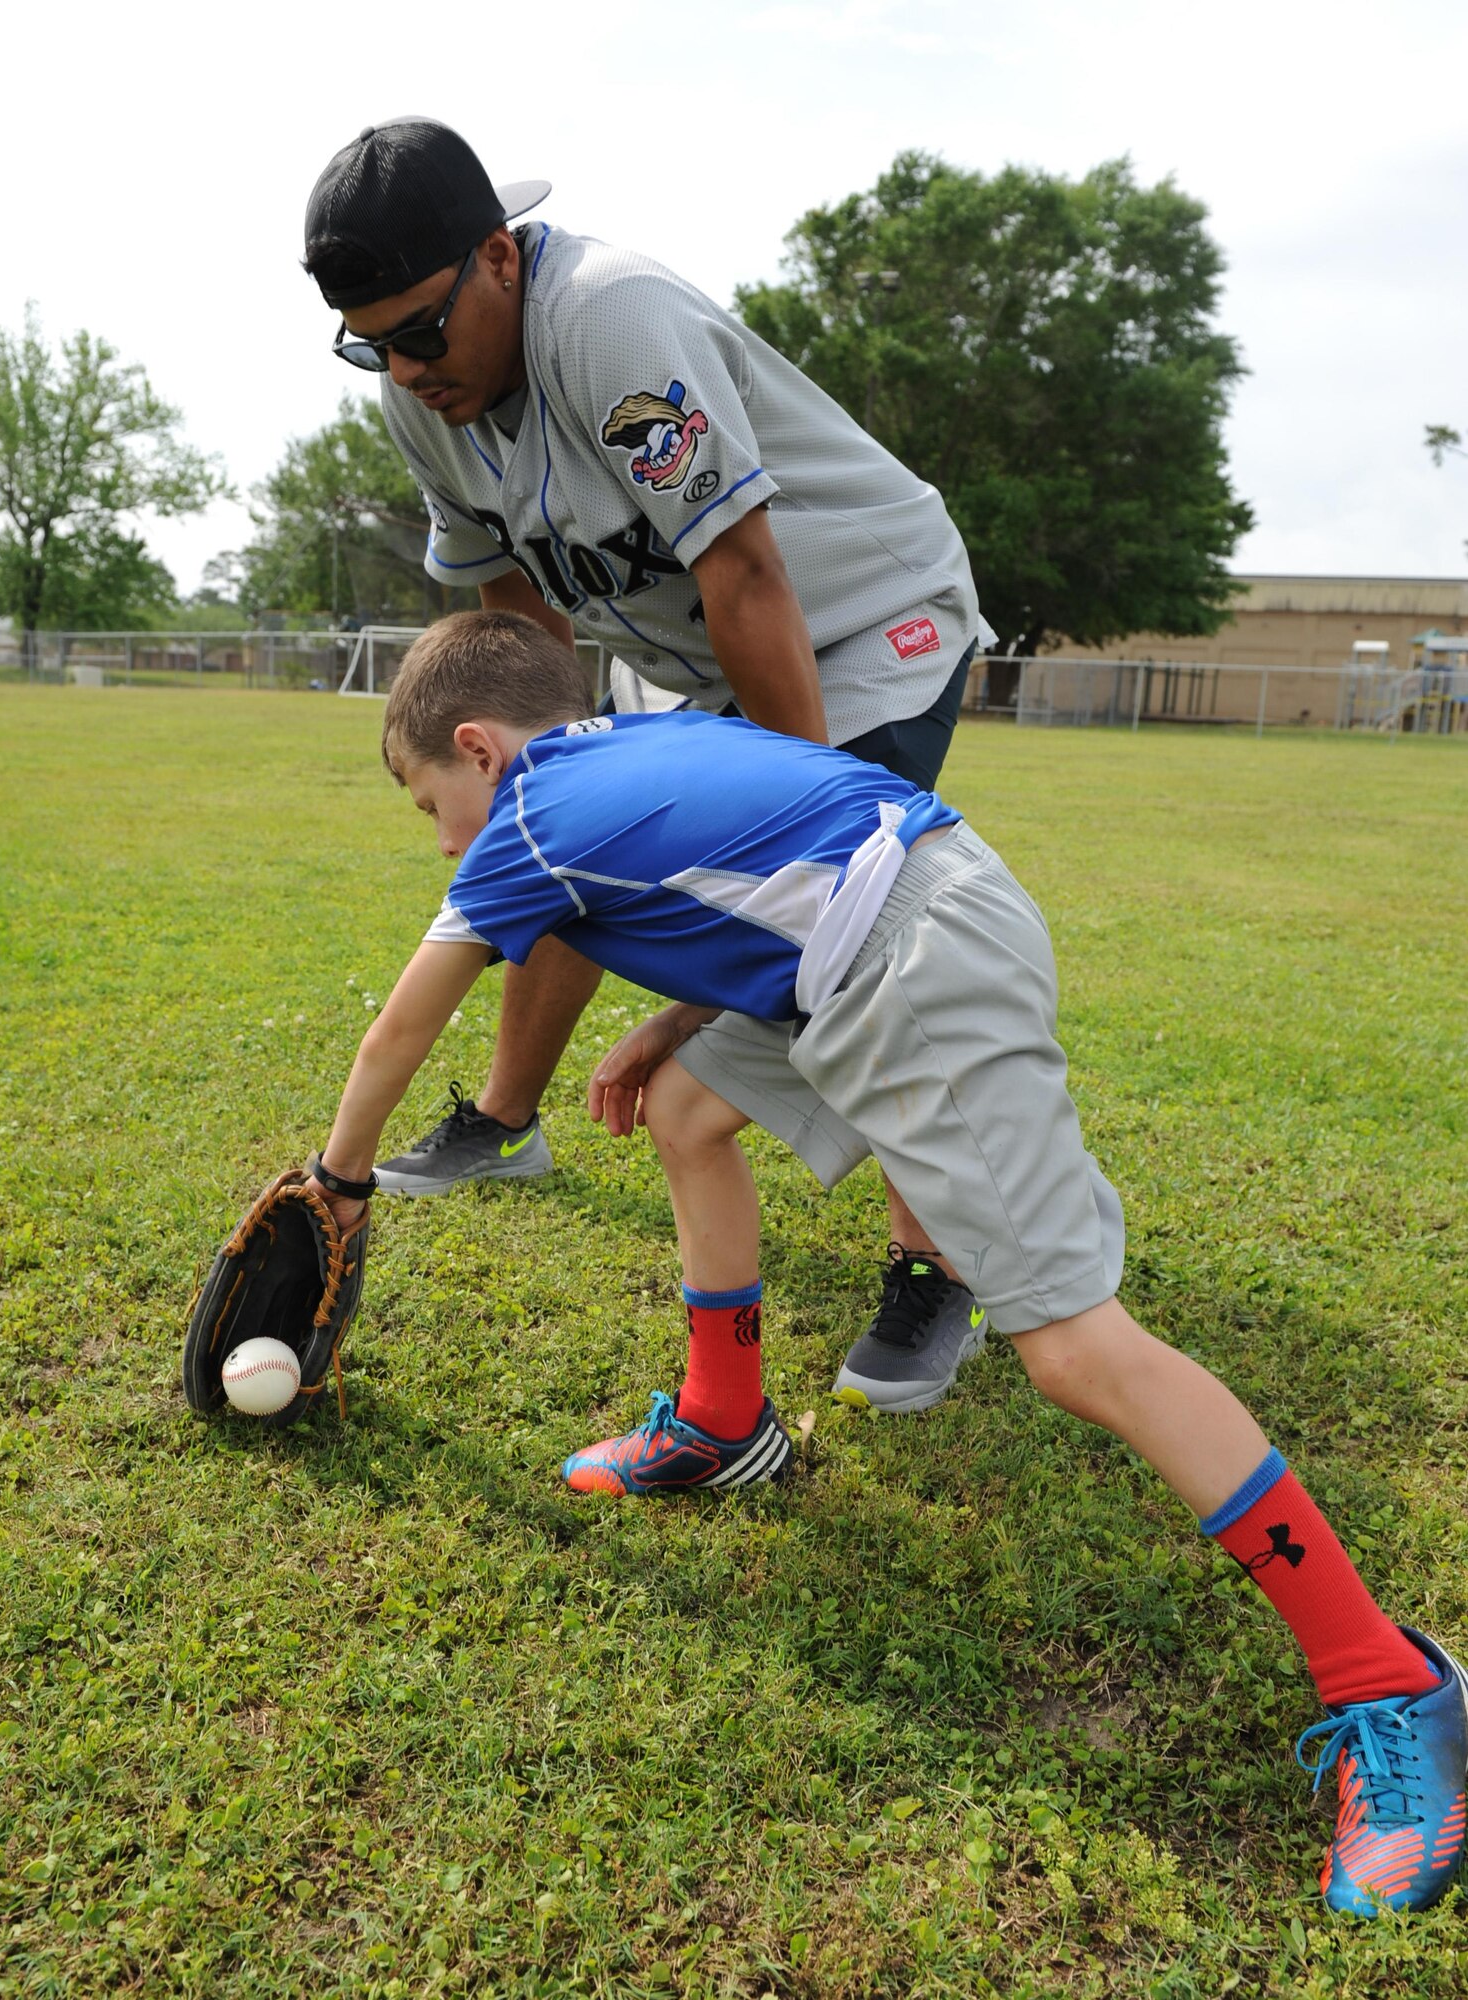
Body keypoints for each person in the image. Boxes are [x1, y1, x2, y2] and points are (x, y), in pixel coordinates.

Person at [306, 609, 1466, 1918]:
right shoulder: (618, 749)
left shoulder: (524, 818)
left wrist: (335, 1187)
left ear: (477, 748)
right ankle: (723, 1422)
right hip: (877, 925)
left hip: (906, 956)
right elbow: (782, 860)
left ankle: (1391, 1684)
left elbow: (405, 1023)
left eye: (429, 805)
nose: (448, 840)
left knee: (1076, 1350)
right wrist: (679, 1023)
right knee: (684, 1111)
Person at [302, 115, 997, 1412]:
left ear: (497, 258)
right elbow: (517, 623)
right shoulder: (426, 404)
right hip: (697, 653)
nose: (402, 370)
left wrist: (793, 821)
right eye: (370, 344)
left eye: (419, 332)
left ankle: (933, 1262)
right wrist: (556, 786)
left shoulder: (609, 319)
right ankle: (506, 1119)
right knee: (564, 832)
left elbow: (743, 570)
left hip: (857, 623)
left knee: (857, 936)